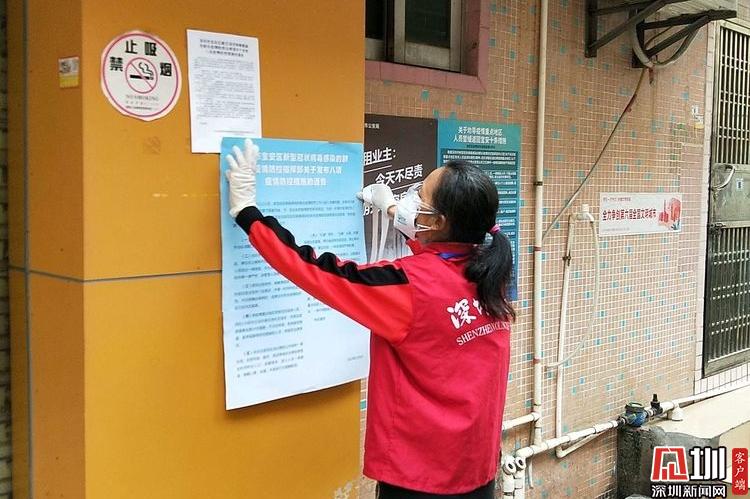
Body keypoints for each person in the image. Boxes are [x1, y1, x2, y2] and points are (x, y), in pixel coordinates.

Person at [225, 140, 514, 499]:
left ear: (438, 221)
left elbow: (315, 270)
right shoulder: (488, 271)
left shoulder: (408, 287)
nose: (411, 197)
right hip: (476, 468)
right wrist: (392, 210)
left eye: (420, 194)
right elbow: (440, 252)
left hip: (422, 477)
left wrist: (247, 212)